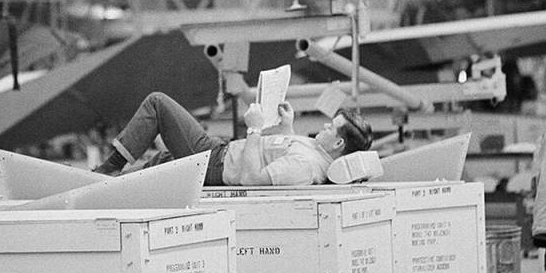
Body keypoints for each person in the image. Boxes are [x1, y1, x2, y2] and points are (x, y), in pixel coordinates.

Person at [93, 92, 373, 186]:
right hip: (220, 154)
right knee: (160, 162)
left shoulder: (307, 166)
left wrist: (254, 130)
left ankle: (109, 168)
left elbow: (252, 179)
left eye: (331, 127)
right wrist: (287, 128)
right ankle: (108, 182)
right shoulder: (312, 152)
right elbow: (280, 154)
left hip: (214, 163)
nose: (324, 125)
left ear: (338, 144)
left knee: (158, 103)